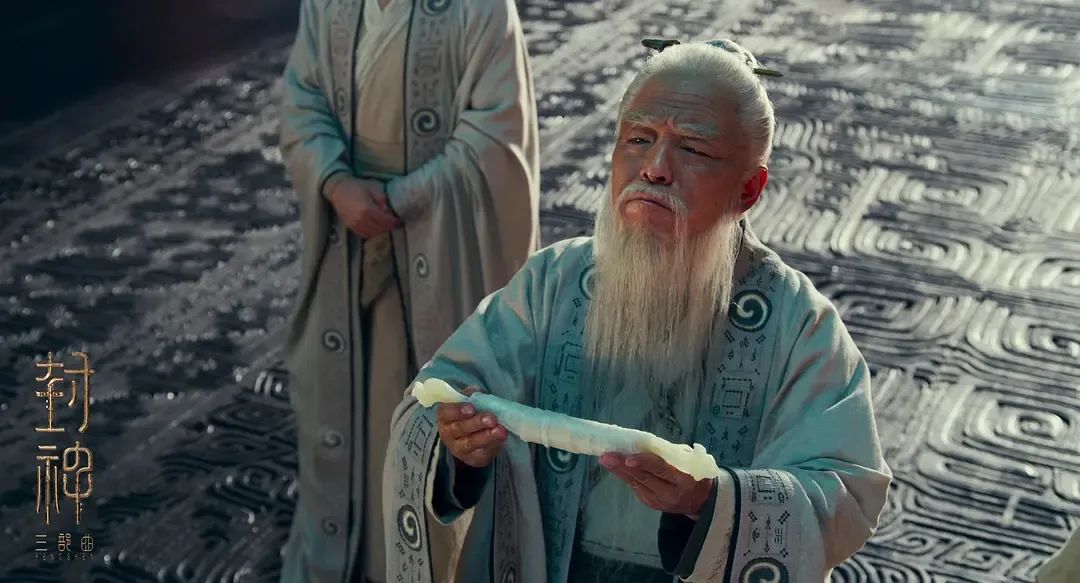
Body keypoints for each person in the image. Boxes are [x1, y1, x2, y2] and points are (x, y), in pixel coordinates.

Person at [385, 39, 891, 582]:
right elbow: (434, 398)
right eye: (639, 139)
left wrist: (714, 500)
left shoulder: (796, 324)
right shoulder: (553, 283)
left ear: (749, 189)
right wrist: (458, 447)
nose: (654, 168)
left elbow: (845, 487)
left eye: (693, 149)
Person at [277, 0, 539, 581]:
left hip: (439, 252)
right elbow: (303, 99)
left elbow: (494, 137)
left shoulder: (481, 10)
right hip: (347, 243)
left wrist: (403, 198)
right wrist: (336, 182)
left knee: (431, 423)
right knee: (345, 421)